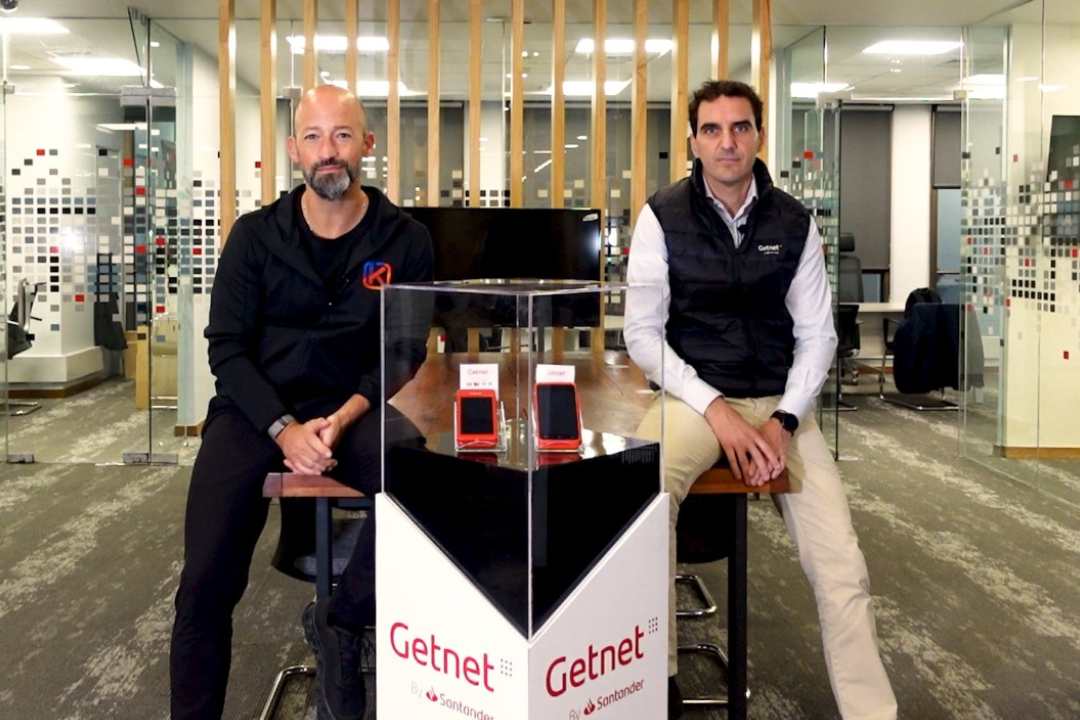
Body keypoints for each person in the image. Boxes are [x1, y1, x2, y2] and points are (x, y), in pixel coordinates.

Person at [624, 80, 897, 720]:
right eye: (713, 129)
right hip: (693, 399)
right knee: (642, 496)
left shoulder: (793, 222)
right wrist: (716, 408)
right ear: (693, 141)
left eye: (740, 127)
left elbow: (817, 335)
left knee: (841, 563)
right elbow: (642, 334)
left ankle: (873, 713)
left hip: (779, 400)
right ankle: (655, 687)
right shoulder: (661, 216)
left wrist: (784, 421)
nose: (727, 142)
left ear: (759, 136)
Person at [169, 85, 433, 720]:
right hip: (255, 411)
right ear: (294, 150)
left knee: (422, 488)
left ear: (367, 144)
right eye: (313, 137)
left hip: (353, 409)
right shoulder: (254, 237)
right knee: (204, 585)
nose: (328, 150)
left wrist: (346, 415)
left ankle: (343, 620)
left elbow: (404, 350)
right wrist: (285, 428)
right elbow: (227, 349)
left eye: (342, 135)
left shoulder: (407, 239)